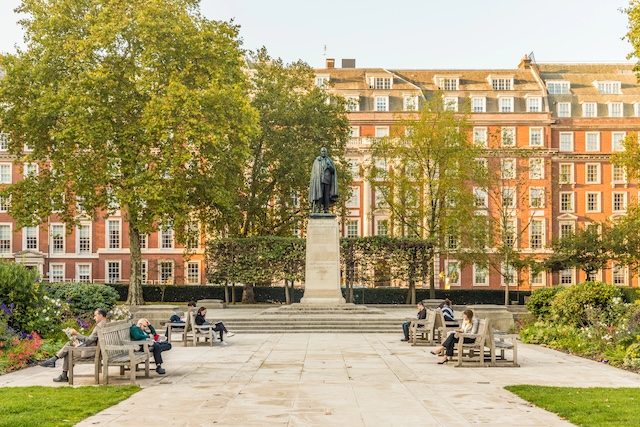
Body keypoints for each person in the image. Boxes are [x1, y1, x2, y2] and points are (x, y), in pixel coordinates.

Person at [39, 308, 108, 383]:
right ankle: (58, 367)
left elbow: (89, 341)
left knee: (69, 350)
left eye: (95, 315)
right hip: (97, 349)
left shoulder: (99, 327)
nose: (94, 318)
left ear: (100, 315)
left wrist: (76, 333)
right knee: (70, 344)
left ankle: (56, 363)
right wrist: (80, 344)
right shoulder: (106, 324)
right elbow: (92, 340)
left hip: (92, 351)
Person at [309, 147, 338, 213]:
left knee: (326, 195)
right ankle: (318, 208)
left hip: (327, 180)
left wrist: (329, 166)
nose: (323, 153)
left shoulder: (329, 160)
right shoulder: (317, 160)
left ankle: (326, 209)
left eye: (324, 151)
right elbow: (314, 172)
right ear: (320, 152)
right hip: (319, 180)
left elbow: (333, 171)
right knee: (319, 194)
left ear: (326, 152)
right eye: (322, 151)